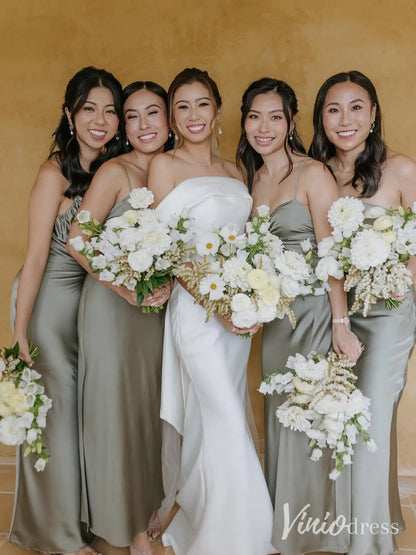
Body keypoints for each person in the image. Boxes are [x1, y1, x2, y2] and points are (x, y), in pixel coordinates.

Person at [147, 67, 274, 555]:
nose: (193, 114)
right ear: (172, 117)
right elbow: (169, 251)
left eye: (202, 103)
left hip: (236, 316)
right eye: (182, 106)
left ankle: (203, 515)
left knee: (217, 419)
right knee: (223, 416)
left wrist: (250, 299)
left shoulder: (235, 171)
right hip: (197, 314)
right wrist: (216, 306)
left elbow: (245, 245)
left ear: (218, 111)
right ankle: (237, 538)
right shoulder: (165, 166)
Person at [237, 77, 362, 555]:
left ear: (290, 122)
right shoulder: (252, 178)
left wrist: (340, 326)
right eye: (254, 117)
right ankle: (288, 530)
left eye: (275, 117)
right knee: (282, 417)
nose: (263, 127)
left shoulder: (313, 174)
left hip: (312, 316)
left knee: (311, 416)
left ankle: (318, 535)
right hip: (276, 321)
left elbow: (332, 257)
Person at [9, 66, 123, 554]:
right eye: (88, 109)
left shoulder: (115, 170)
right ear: (69, 114)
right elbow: (35, 257)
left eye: (110, 111)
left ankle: (82, 523)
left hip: (93, 310)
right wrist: (19, 332)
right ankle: (59, 537)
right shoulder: (53, 173)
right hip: (50, 310)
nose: (100, 120)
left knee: (82, 417)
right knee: (55, 418)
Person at [309, 70, 416, 555]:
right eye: (333, 109)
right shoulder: (315, 173)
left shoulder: (401, 170)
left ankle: (369, 547)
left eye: (356, 107)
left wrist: (400, 280)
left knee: (369, 421)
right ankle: (344, 531)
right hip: (329, 313)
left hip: (387, 313)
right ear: (321, 119)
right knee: (333, 421)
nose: (345, 119)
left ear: (373, 114)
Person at [67, 81, 173, 555]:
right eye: (132, 116)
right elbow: (78, 238)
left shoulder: (178, 171)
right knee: (116, 412)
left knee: (148, 412)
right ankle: (126, 528)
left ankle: (147, 509)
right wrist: (125, 286)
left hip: (156, 312)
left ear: (170, 120)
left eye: (153, 113)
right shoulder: (115, 170)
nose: (144, 125)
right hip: (112, 308)